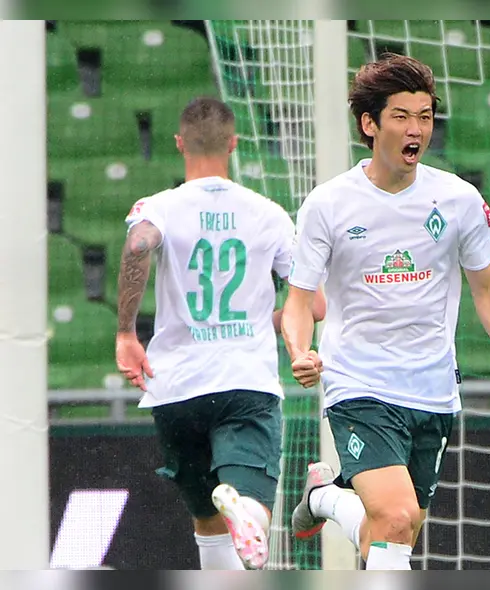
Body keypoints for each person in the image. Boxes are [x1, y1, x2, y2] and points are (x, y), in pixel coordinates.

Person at [280, 53, 490, 571]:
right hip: (358, 383)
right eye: (401, 116)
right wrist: (299, 349)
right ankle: (330, 498)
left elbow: (487, 289)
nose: (416, 129)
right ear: (369, 123)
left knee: (391, 536)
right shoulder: (328, 204)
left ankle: (325, 497)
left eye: (425, 116)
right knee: (396, 517)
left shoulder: (458, 199)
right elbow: (296, 300)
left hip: (432, 389)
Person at [114, 96, 326, 570]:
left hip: (176, 388)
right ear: (233, 143)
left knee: (207, 526)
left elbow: (137, 245)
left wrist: (126, 332)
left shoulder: (160, 207)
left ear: (178, 143)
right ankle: (249, 512)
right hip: (243, 382)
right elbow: (313, 303)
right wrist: (260, 320)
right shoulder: (267, 212)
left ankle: (233, 520)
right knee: (248, 508)